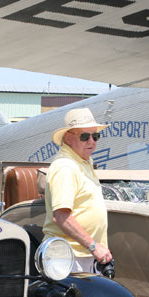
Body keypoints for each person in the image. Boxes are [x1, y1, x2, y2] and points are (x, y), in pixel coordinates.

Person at [43, 108, 111, 273]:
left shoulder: (82, 161)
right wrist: (94, 246)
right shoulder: (66, 166)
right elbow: (61, 216)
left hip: (81, 254)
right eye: (84, 136)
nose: (91, 142)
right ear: (68, 137)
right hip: (67, 257)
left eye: (95, 136)